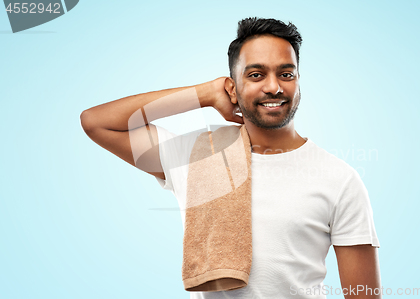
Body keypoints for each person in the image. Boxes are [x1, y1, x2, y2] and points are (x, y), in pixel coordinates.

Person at [80, 17, 382, 299]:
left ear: (299, 82)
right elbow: (97, 121)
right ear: (233, 88)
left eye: (286, 74)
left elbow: (364, 295)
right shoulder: (196, 155)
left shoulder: (339, 179)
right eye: (256, 75)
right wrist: (205, 93)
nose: (274, 86)